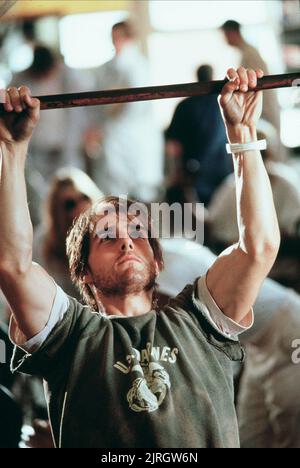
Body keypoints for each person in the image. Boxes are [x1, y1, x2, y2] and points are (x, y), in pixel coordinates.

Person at [0, 67, 280, 448]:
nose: (127, 243)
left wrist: (243, 135)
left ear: (158, 261)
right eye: (108, 237)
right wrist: (12, 151)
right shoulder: (69, 337)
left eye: (137, 233)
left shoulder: (199, 321)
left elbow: (258, 248)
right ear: (84, 273)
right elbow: (12, 265)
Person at [90, 21, 163, 202]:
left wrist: (114, 105)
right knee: (115, 186)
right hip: (114, 133)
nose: (116, 42)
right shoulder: (108, 67)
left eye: (120, 37)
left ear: (129, 37)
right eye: (114, 38)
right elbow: (98, 101)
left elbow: (136, 102)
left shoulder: (137, 64)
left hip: (136, 132)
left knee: (142, 189)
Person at [165, 65, 232, 205]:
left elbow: (173, 147)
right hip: (223, 169)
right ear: (213, 76)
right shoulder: (226, 103)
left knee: (197, 221)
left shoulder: (184, 106)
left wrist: (174, 174)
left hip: (193, 173)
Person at [33, 167, 103, 298]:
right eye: (70, 204)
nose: (81, 207)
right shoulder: (43, 242)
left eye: (84, 198)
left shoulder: (110, 232)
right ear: (56, 212)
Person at [221, 20, 281, 147]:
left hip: (263, 106)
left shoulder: (249, 53)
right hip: (259, 106)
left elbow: (254, 83)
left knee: (270, 145)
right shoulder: (245, 52)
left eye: (225, 35)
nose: (224, 39)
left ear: (232, 33)